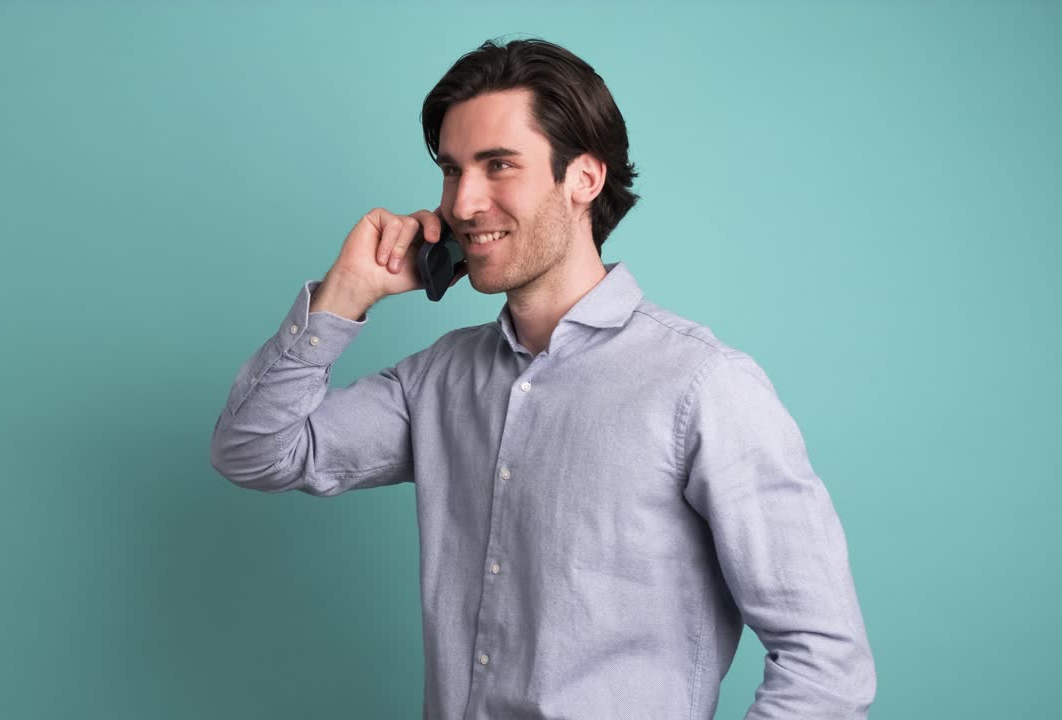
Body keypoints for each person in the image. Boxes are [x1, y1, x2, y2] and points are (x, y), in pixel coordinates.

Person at [211, 37, 875, 719]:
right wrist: (345, 295)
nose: (465, 203)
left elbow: (826, 662)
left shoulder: (703, 386)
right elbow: (256, 451)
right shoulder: (438, 379)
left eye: (498, 165)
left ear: (583, 179)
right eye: (451, 170)